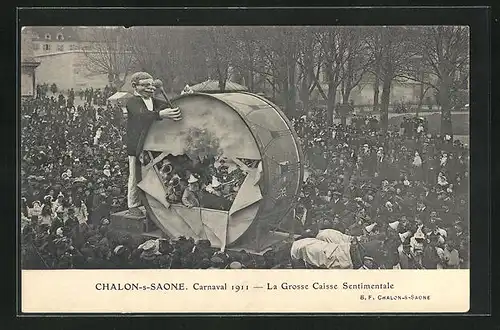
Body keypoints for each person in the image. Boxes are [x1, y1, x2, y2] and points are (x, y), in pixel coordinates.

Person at [125, 72, 182, 216]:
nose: (150, 88)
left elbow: (169, 105)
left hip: (151, 143)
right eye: (144, 85)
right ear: (134, 86)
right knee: (135, 175)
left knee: (156, 172)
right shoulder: (132, 102)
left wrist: (183, 97)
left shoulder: (153, 101)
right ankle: (133, 205)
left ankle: (156, 200)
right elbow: (141, 115)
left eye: (151, 85)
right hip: (137, 145)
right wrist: (160, 115)